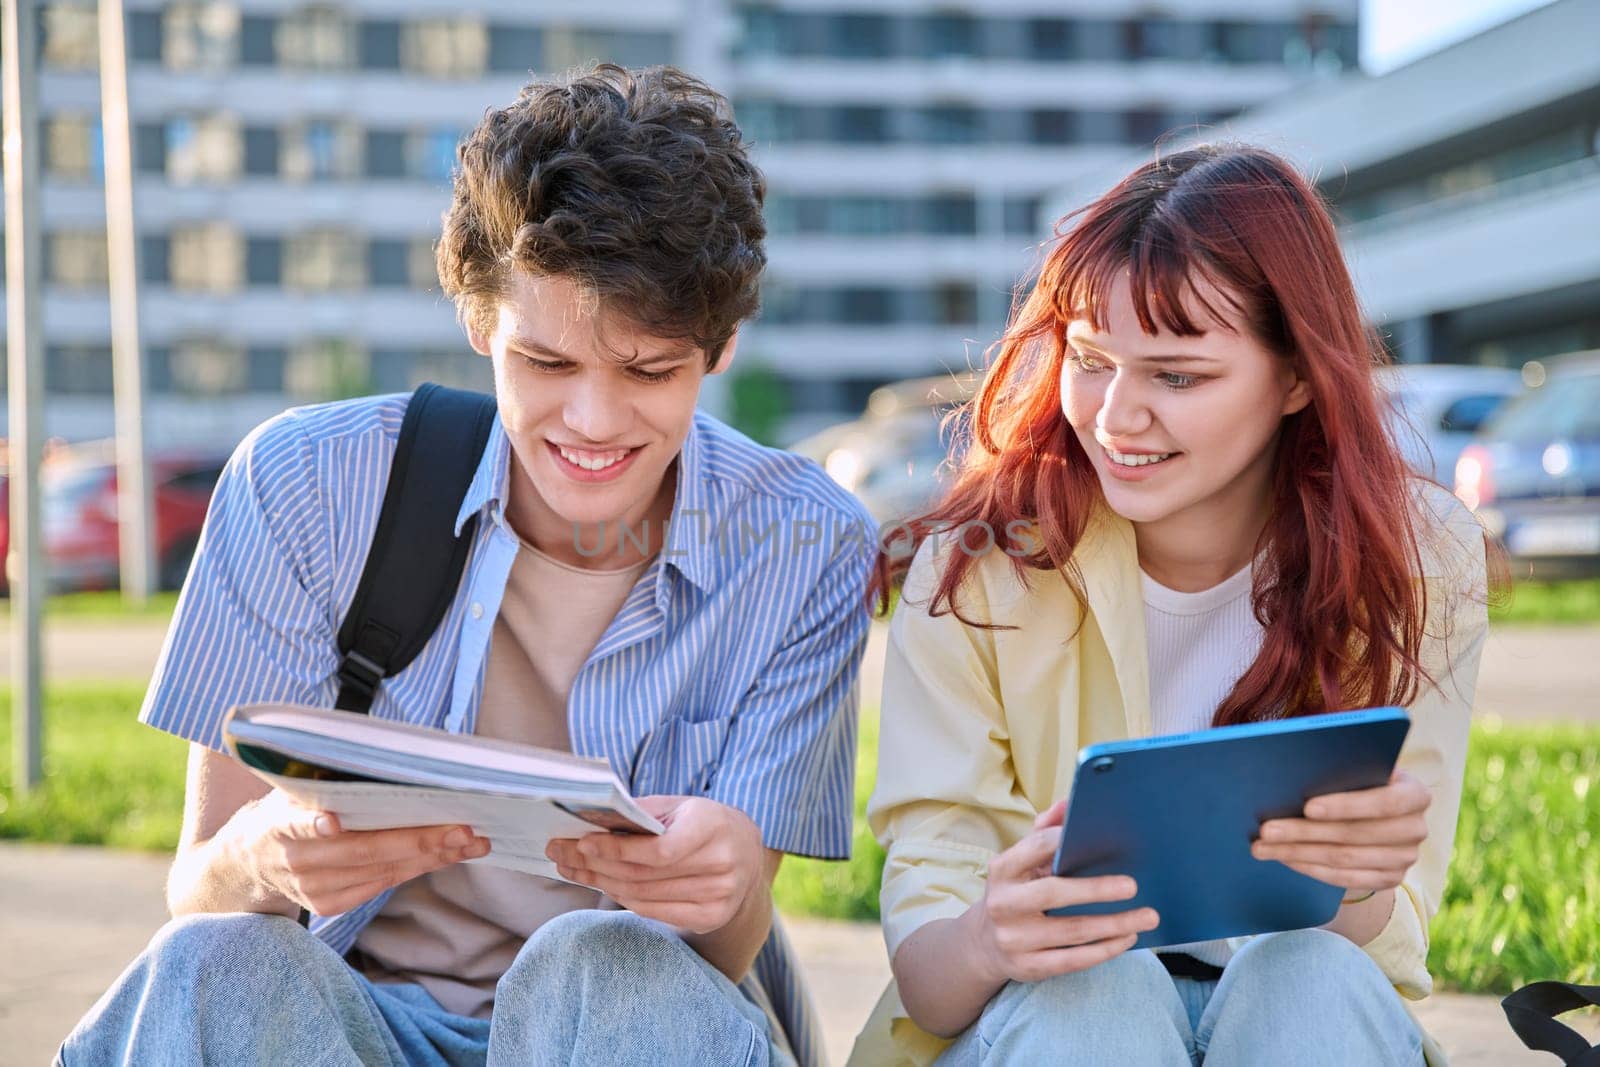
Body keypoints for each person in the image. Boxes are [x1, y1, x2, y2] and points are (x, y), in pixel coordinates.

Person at [61, 64, 877, 1067]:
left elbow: (729, 941)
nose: (592, 421)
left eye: (647, 370)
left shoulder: (807, 543)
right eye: (547, 363)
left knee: (608, 958)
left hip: (624, 1024)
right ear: (480, 318)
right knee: (216, 960)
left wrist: (724, 883)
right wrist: (263, 853)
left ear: (721, 347)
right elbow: (201, 887)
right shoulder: (306, 482)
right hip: (345, 1018)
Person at [849, 144, 1489, 1067]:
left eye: (1177, 376)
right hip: (1042, 1026)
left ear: (1301, 377)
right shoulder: (980, 563)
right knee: (1094, 988)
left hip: (1307, 1009)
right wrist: (992, 935)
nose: (1114, 418)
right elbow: (931, 977)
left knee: (1306, 977)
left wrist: (1354, 879)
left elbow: (1386, 945)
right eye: (1091, 359)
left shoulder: (1418, 554)